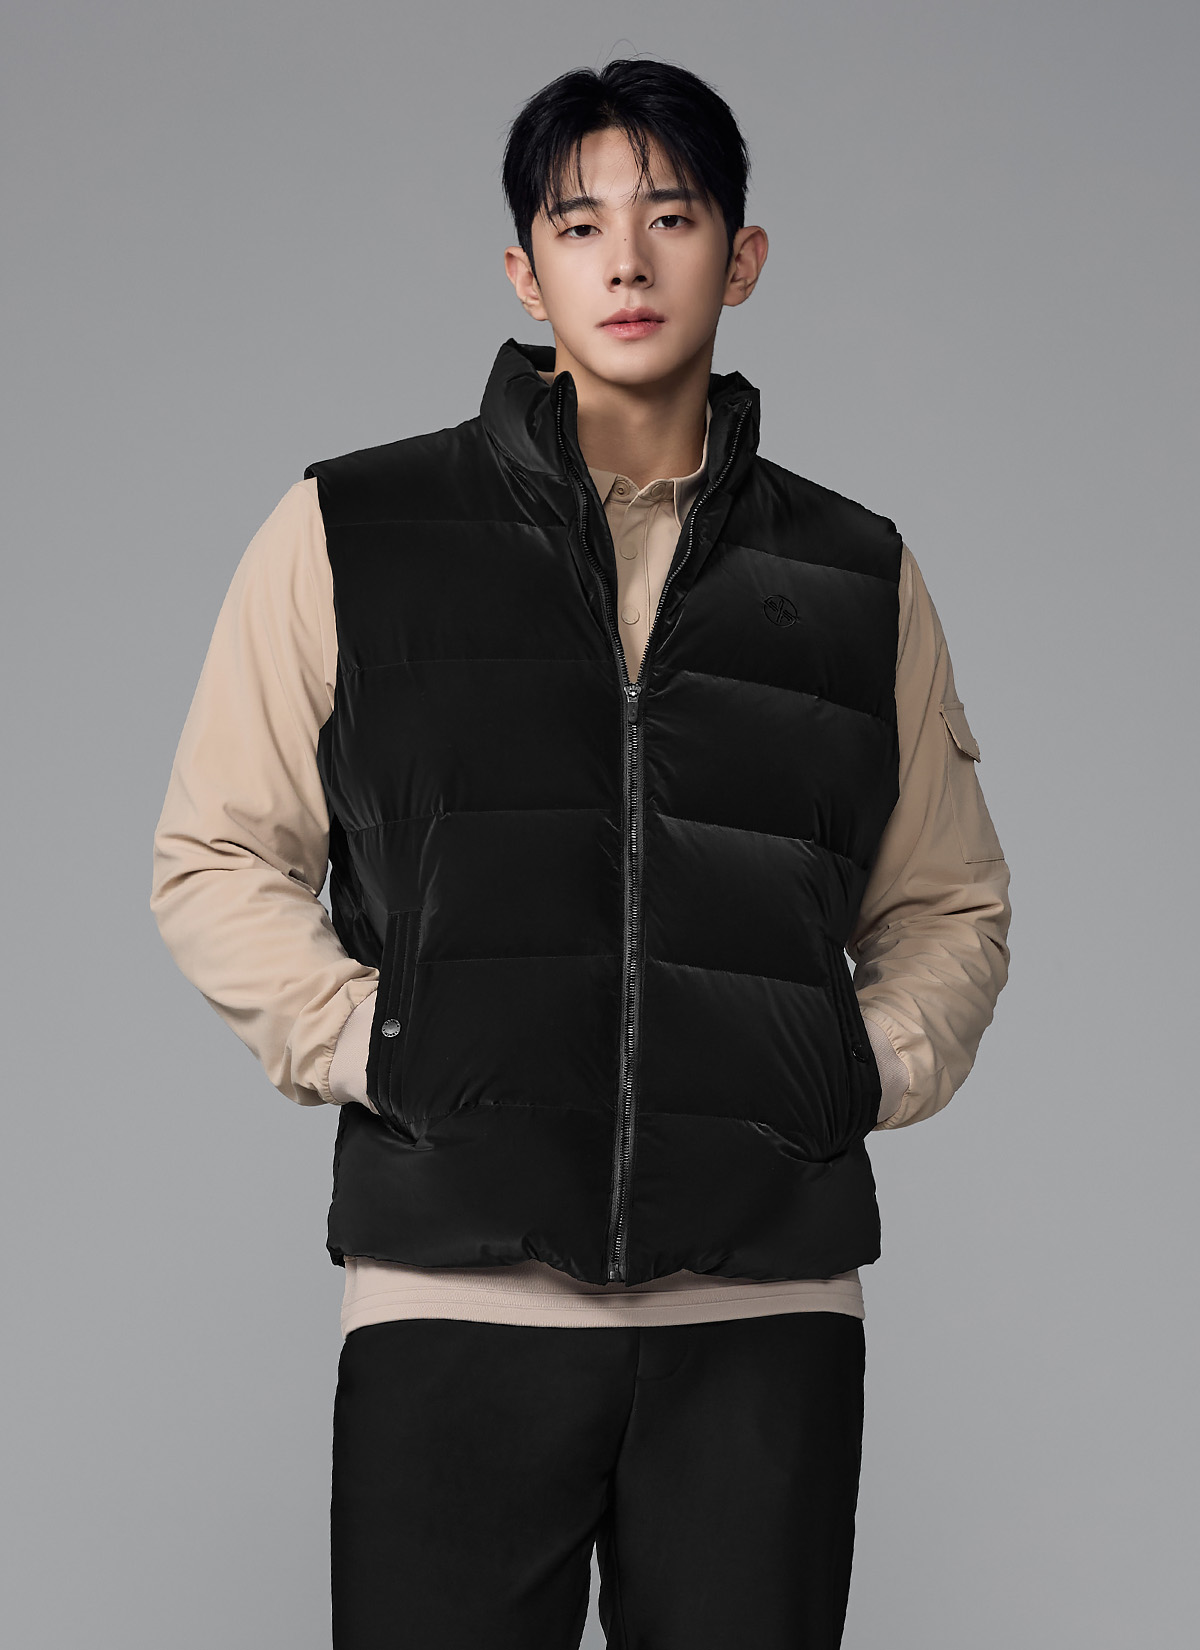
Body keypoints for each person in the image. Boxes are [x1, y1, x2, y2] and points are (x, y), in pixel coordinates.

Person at [150, 56, 1011, 1650]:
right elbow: (214, 855)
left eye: (671, 217)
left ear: (741, 259)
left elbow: (949, 901)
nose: (627, 259)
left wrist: (854, 1064)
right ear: (523, 270)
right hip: (453, 1295)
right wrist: (381, 1040)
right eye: (580, 222)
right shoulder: (351, 532)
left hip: (764, 1315)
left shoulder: (856, 578)